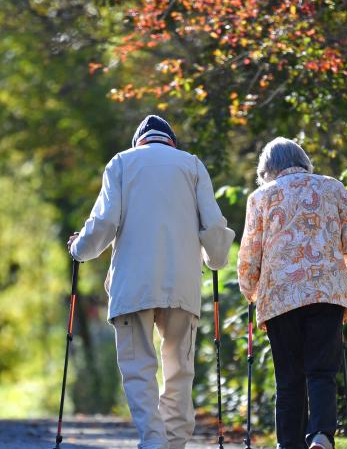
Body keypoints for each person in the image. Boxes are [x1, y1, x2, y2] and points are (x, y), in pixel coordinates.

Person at [68, 115, 235, 449]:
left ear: (138, 142)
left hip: (133, 284)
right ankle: (174, 443)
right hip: (182, 283)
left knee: (138, 369)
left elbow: (105, 220)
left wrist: (79, 249)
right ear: (170, 141)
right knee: (179, 369)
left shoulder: (121, 163)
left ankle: (154, 441)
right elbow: (214, 224)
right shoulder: (191, 165)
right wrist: (216, 258)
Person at [237, 137, 347, 449]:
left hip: (280, 298)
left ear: (267, 170)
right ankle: (321, 435)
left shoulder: (260, 197)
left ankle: (289, 444)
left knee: (289, 378)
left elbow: (249, 256)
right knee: (322, 372)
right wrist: (337, 272)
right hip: (326, 294)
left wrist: (251, 292)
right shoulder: (332, 187)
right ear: (304, 162)